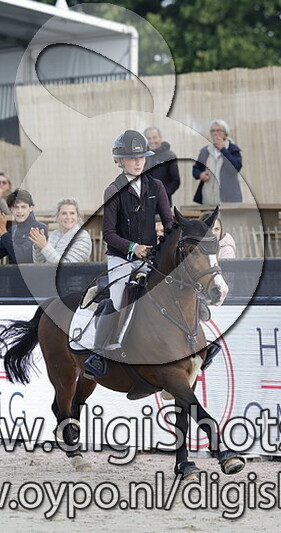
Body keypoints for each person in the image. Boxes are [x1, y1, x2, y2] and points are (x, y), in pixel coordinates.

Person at [87, 129, 174, 377]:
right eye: (131, 158)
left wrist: (165, 245)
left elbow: (168, 222)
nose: (137, 162)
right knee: (117, 300)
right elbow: (108, 234)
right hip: (121, 258)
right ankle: (99, 353)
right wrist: (133, 248)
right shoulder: (112, 190)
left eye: (141, 157)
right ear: (119, 161)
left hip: (151, 256)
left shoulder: (156, 186)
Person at [0, 189, 48, 265]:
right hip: (12, 275)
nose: (19, 211)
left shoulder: (39, 228)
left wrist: (3, 231)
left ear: (31, 208)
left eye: (23, 207)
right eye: (15, 207)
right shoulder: (13, 230)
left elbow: (22, 259)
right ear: (10, 209)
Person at [192, 119, 243, 205]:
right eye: (212, 131)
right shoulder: (205, 151)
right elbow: (196, 169)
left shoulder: (233, 149)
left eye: (218, 130)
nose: (215, 133)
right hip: (208, 198)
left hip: (228, 198)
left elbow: (235, 169)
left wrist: (223, 150)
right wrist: (200, 174)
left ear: (225, 133)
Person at [30, 198, 92, 263]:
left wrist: (44, 246)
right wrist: (38, 247)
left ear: (78, 217)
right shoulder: (54, 234)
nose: (68, 217)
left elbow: (67, 267)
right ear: (57, 217)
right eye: (64, 213)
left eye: (72, 213)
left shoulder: (82, 237)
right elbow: (40, 263)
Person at [144, 126, 180, 206]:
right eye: (148, 138)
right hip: (144, 204)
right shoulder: (142, 156)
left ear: (160, 138)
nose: (152, 141)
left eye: (154, 137)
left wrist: (163, 194)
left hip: (163, 203)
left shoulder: (169, 156)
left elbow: (175, 181)